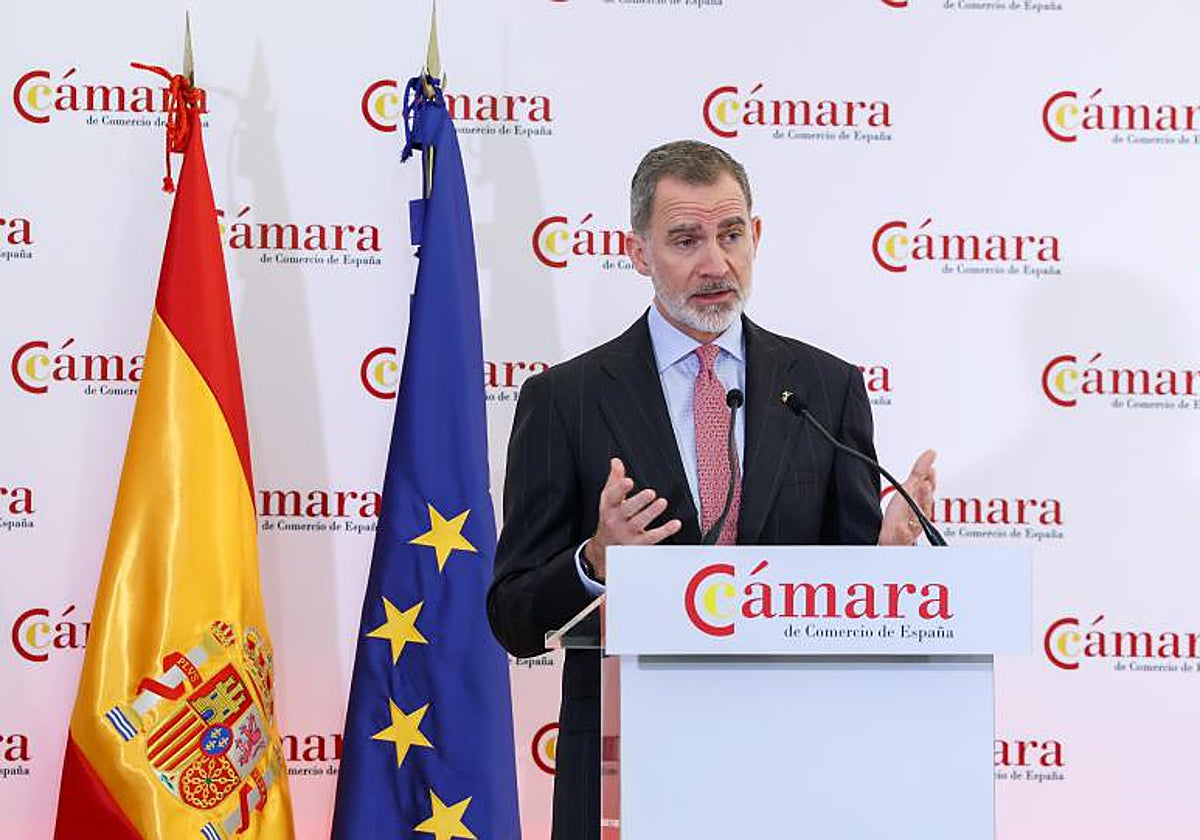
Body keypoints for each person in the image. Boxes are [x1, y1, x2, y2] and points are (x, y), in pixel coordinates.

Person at [486, 140, 936, 840]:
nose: (715, 263)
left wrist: (881, 556)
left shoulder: (826, 388)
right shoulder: (565, 401)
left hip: (790, 762)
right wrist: (595, 560)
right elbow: (513, 617)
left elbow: (845, 603)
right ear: (638, 253)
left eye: (730, 235)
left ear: (755, 236)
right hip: (624, 765)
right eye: (685, 240)